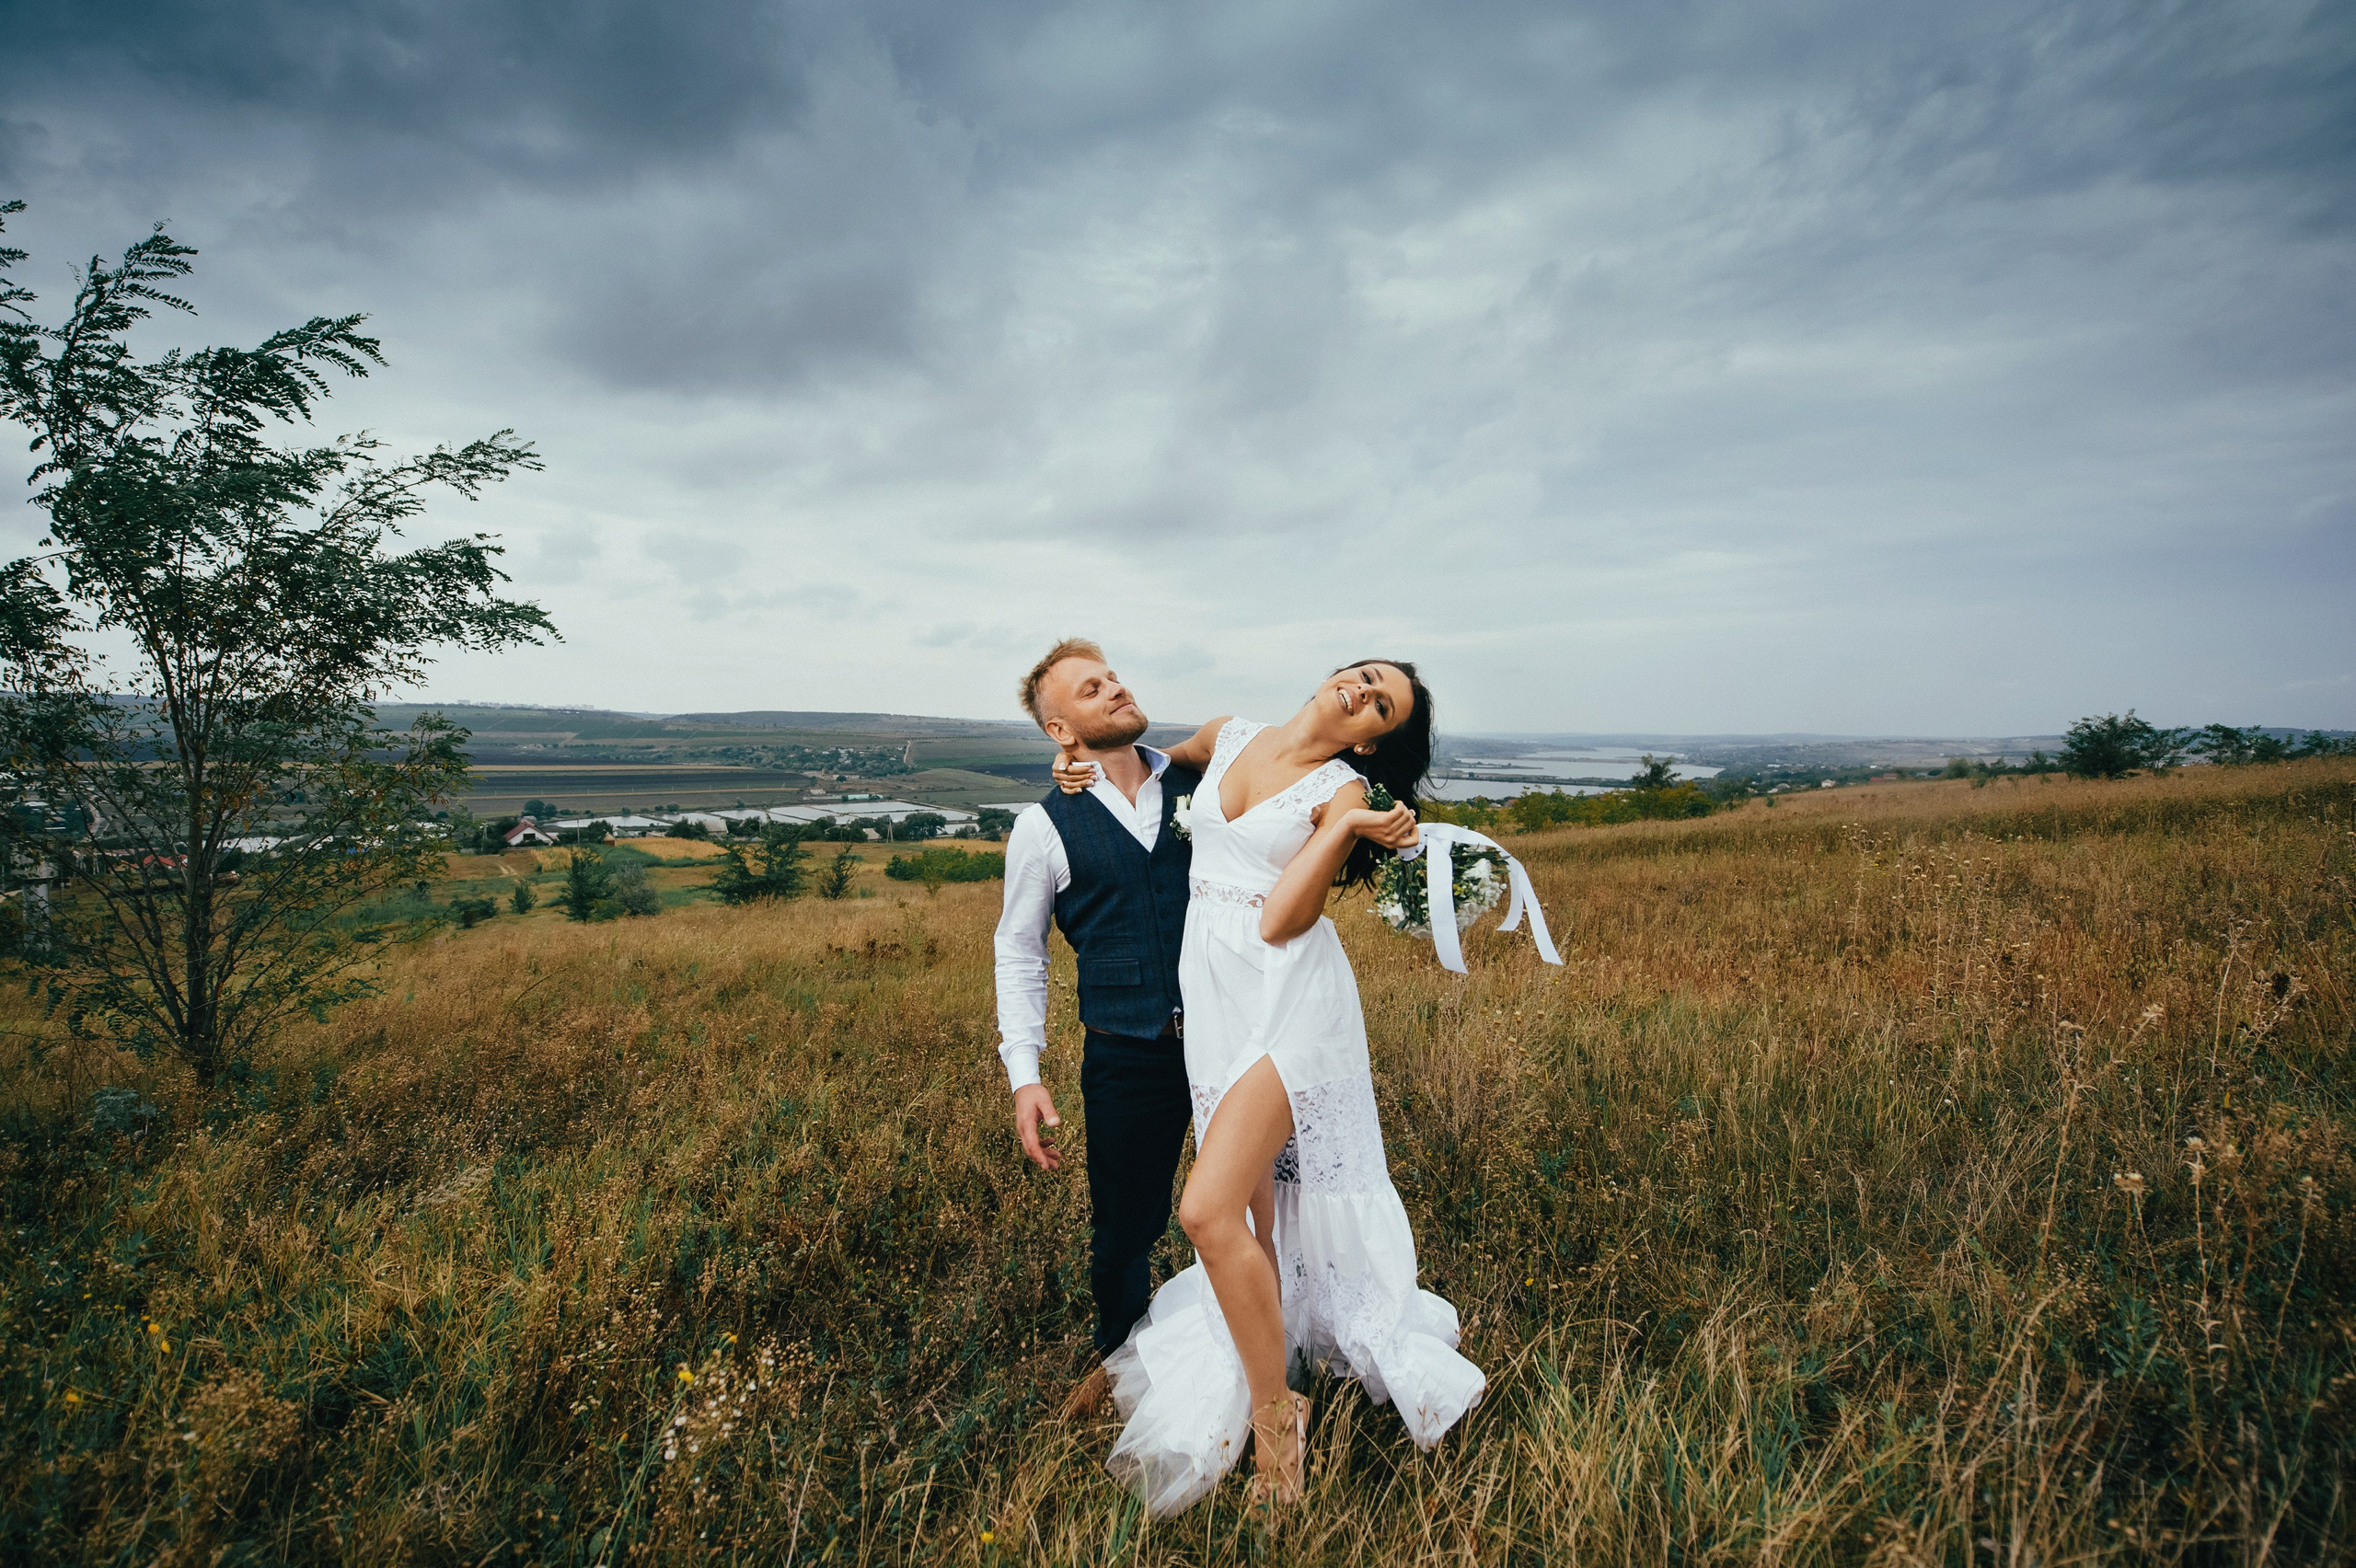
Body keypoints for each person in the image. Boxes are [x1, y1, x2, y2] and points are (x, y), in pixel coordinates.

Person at [1050, 660, 1484, 1517]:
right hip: (1216, 1001)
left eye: (1382, 703)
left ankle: (1279, 1420)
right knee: (1251, 1220)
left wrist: (1348, 824)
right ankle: (1266, 1354)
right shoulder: (1228, 734)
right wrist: (1082, 768)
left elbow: (1282, 920)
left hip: (1291, 1009)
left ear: (1373, 737)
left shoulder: (1341, 790)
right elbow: (1148, 769)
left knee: (1203, 1213)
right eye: (1362, 676)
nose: (1361, 692)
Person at [994, 639, 1203, 1417]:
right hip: (1125, 1053)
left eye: (1114, 677)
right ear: (1060, 731)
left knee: (1257, 1207)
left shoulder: (1200, 787)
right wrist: (1026, 1072)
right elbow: (1018, 951)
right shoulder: (1043, 827)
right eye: (1092, 688)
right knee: (1125, 1229)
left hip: (1232, 1043)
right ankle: (1121, 1371)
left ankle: (1261, 1350)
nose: (1116, 689)